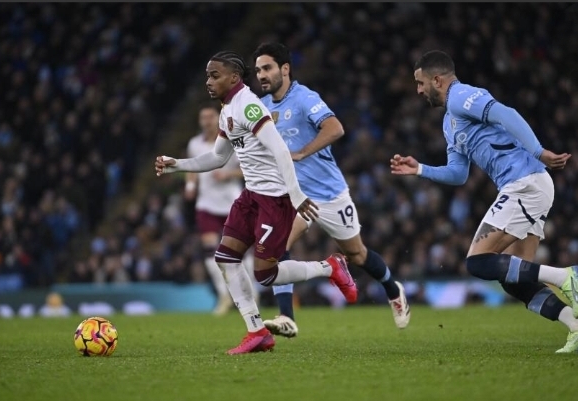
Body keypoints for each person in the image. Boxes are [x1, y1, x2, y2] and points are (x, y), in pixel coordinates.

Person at [390, 50, 578, 353]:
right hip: (529, 186)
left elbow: (506, 114)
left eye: (421, 83)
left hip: (524, 182)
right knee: (513, 278)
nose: (419, 90)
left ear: (438, 79)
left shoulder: (461, 95)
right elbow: (458, 174)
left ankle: (566, 275)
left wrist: (539, 151)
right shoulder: (449, 122)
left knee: (477, 262)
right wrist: (420, 169)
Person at [155, 50, 358, 355]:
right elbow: (218, 157)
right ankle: (257, 331)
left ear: (234, 78)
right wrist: (177, 165)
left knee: (265, 274)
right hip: (251, 196)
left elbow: (279, 151)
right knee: (225, 259)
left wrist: (296, 195)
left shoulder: (248, 106)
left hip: (274, 199)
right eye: (207, 76)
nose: (208, 82)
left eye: (215, 75)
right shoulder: (227, 110)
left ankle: (330, 267)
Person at [252, 42, 411, 338]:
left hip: (329, 194)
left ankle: (393, 289)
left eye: (267, 68)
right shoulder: (261, 107)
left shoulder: (304, 98)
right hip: (296, 198)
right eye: (258, 69)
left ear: (284, 69)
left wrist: (301, 153)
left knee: (358, 254)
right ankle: (287, 316)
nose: (261, 74)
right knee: (276, 248)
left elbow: (335, 128)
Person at [184, 102, 259, 316]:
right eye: (203, 117)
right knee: (210, 251)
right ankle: (224, 295)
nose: (207, 121)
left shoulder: (233, 141)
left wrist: (228, 175)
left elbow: (249, 169)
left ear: (218, 119)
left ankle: (251, 293)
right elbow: (192, 168)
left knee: (242, 250)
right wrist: (190, 186)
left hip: (232, 202)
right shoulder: (194, 144)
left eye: (210, 116)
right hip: (206, 204)